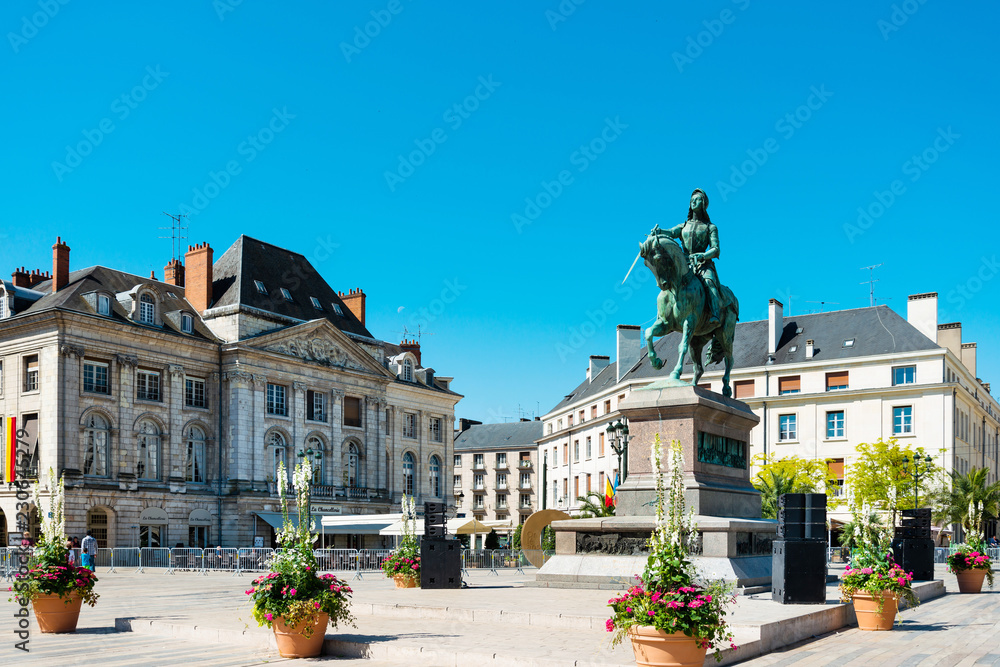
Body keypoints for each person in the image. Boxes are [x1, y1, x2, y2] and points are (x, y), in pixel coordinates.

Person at [651, 188, 723, 326]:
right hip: (685, 263)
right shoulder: (684, 225)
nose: (694, 201)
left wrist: (703, 256)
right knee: (668, 283)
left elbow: (715, 249)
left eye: (698, 199)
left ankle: (715, 313)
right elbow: (671, 232)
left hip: (703, 264)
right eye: (692, 200)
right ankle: (663, 316)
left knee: (709, 282)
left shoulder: (710, 227)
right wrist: (660, 231)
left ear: (704, 203)